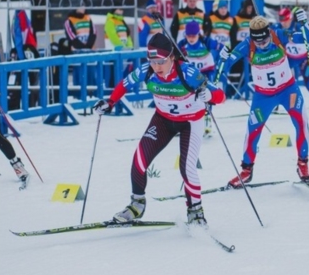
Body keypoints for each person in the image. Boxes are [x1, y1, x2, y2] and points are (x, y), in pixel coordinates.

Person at [93, 33, 226, 225]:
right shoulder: (147, 70)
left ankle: (195, 211)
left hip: (190, 122)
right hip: (163, 120)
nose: (157, 67)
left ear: (172, 57)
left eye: (161, 61)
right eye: (152, 61)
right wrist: (110, 102)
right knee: (139, 160)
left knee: (187, 168)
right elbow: (125, 84)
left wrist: (209, 96)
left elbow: (220, 96)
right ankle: (137, 204)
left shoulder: (187, 73)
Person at [222, 16, 309, 187]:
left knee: (301, 122)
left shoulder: (280, 35)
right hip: (263, 96)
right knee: (252, 131)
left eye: (265, 40)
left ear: (269, 34)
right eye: (258, 42)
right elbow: (225, 65)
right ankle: (246, 170)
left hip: (288, 90)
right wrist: (223, 58)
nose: (262, 45)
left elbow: (308, 38)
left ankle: (303, 163)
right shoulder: (247, 45)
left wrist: (303, 23)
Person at [177, 21, 225, 137]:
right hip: (191, 74)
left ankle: (207, 121)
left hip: (206, 71)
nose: (191, 38)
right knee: (186, 96)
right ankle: (183, 123)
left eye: (194, 35)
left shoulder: (206, 42)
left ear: (198, 34)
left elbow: (222, 48)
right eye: (189, 35)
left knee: (207, 95)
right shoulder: (182, 44)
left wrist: (223, 54)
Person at [271, 7, 309, 106]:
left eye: (286, 20)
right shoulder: (279, 27)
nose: (284, 23)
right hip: (289, 59)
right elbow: (271, 32)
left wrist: (307, 25)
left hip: (303, 59)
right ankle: (274, 104)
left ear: (290, 18)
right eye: (281, 21)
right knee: (279, 80)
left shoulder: (298, 26)